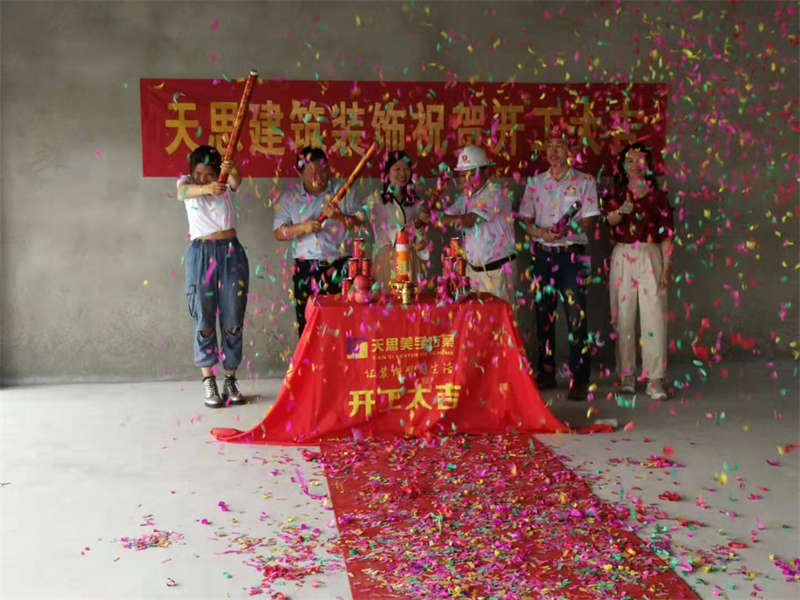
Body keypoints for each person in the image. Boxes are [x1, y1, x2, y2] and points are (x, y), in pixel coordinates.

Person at [518, 127, 599, 401]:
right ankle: (546, 372)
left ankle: (580, 378)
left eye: (559, 146)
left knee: (576, 317)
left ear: (570, 150)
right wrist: (541, 233)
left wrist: (568, 228)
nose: (553, 151)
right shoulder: (535, 183)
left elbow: (590, 223)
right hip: (543, 255)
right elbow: (526, 221)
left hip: (573, 256)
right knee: (543, 316)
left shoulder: (585, 181)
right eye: (549, 146)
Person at [177, 145, 249, 409]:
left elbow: (236, 181)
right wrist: (207, 187)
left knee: (233, 316)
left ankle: (230, 378)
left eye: (208, 173)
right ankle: (209, 380)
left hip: (231, 252)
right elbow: (182, 192)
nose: (203, 178)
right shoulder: (186, 184)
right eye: (198, 173)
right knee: (203, 316)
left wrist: (230, 169)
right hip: (201, 253)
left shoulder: (225, 183)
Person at [604, 142, 674, 400]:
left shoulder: (659, 196)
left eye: (640, 160)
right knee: (623, 317)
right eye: (630, 160)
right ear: (623, 166)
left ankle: (655, 379)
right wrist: (621, 211)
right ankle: (627, 376)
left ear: (648, 165)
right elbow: (609, 220)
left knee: (653, 318)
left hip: (650, 255)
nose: (635, 165)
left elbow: (667, 235)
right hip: (623, 255)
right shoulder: (617, 193)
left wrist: (666, 267)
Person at [273, 146, 363, 336]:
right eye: (312, 172)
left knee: (344, 325)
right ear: (299, 173)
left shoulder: (343, 191)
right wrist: (303, 228)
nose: (319, 177)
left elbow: (359, 224)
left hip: (341, 266)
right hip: (306, 269)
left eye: (323, 171)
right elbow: (279, 233)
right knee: (308, 327)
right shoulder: (289, 198)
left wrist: (338, 216)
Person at [440, 145, 517, 306]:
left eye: (472, 174)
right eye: (463, 175)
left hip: (497, 272)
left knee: (500, 320)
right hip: (473, 273)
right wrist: (431, 217)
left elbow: (468, 221)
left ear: (486, 171)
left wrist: (436, 219)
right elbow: (446, 216)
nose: (466, 180)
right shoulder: (466, 197)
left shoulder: (496, 193)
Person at [359, 151, 430, 291]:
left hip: (410, 259)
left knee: (410, 300)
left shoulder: (416, 202)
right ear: (387, 173)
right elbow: (358, 220)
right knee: (388, 300)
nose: (402, 174)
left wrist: (420, 242)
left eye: (406, 169)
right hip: (386, 259)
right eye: (397, 169)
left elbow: (420, 232)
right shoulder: (375, 200)